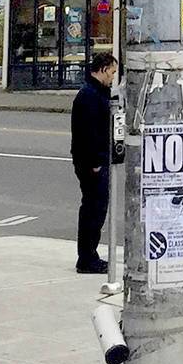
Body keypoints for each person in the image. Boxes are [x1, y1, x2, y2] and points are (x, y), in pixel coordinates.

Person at [70, 51, 117, 274]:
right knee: (94, 209)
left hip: (94, 160)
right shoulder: (89, 96)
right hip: (92, 163)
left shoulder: (97, 93)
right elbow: (88, 134)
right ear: (103, 69)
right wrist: (96, 162)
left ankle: (89, 255)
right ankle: (87, 258)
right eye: (113, 72)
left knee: (94, 208)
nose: (113, 77)